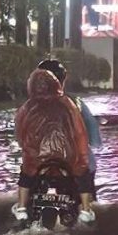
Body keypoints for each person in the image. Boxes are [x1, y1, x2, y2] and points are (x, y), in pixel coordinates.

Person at [12, 68, 95, 224]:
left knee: (26, 175)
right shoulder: (68, 104)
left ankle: (21, 208)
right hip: (68, 158)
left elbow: (20, 132)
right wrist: (82, 158)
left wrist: (28, 151)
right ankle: (85, 209)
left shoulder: (27, 107)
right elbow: (80, 133)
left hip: (37, 159)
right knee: (83, 174)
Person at [36, 58, 101, 192]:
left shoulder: (31, 106)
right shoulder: (76, 103)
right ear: (63, 80)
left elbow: (20, 135)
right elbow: (94, 136)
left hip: (41, 165)